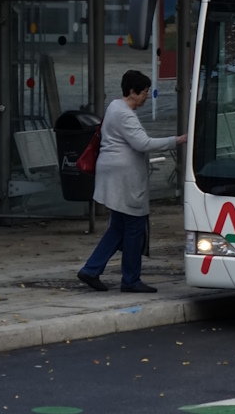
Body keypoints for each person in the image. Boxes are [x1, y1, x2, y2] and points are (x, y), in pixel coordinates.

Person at [77, 70, 187, 293]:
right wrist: (178, 140)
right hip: (125, 181)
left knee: (117, 228)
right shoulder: (124, 114)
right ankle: (130, 279)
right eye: (145, 92)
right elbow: (143, 143)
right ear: (132, 92)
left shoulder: (114, 107)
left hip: (116, 177)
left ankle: (91, 269)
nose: (147, 96)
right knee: (135, 227)